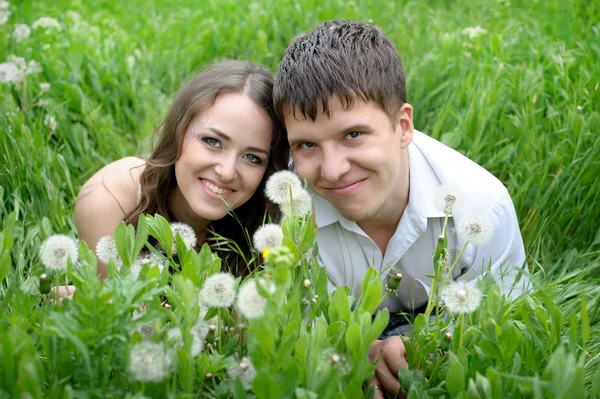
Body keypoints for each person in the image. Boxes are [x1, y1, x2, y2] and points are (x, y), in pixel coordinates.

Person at [273, 20, 530, 398]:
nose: (332, 170)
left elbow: (509, 323)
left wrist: (426, 346)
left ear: (404, 125)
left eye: (353, 135)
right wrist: (353, 354)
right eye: (307, 145)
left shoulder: (481, 207)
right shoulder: (286, 211)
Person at [67, 59, 288, 289]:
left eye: (252, 158)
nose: (227, 172)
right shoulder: (111, 196)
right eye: (212, 141)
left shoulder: (269, 231)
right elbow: (124, 314)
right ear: (178, 131)